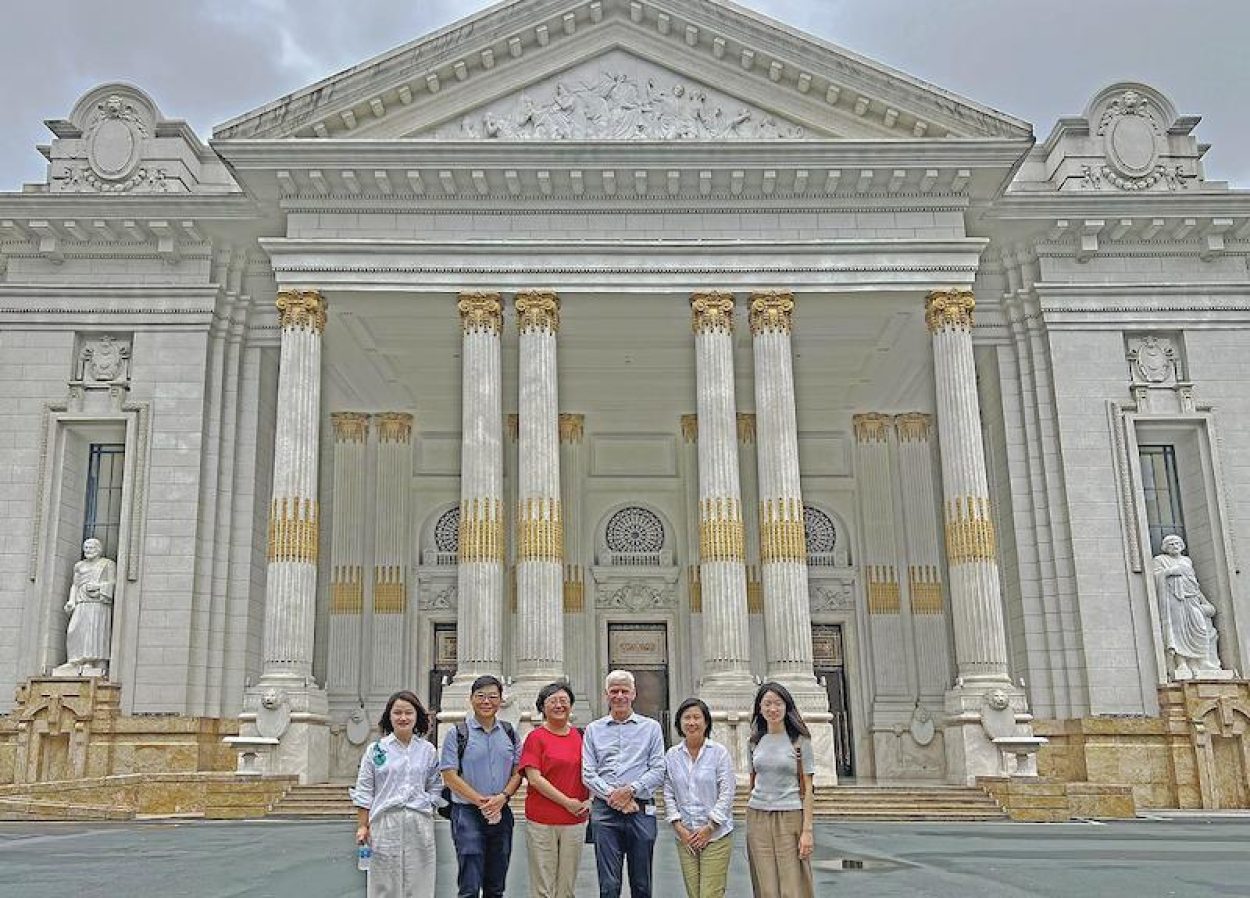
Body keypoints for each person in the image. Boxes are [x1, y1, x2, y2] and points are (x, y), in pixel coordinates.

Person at [582, 670, 666, 898]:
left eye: (624, 691)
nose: (619, 696)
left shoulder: (651, 728)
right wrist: (615, 797)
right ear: (606, 695)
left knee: (642, 883)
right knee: (608, 885)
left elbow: (659, 769)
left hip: (641, 808)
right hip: (605, 811)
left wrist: (630, 790)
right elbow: (588, 773)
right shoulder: (593, 730)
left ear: (634, 693)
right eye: (614, 691)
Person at [351, 690, 444, 898]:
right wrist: (362, 826)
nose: (403, 718)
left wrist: (427, 803)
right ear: (389, 716)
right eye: (397, 713)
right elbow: (365, 790)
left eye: (409, 713)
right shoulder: (376, 750)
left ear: (417, 716)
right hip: (385, 821)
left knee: (420, 879)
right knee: (384, 882)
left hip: (419, 821)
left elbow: (435, 785)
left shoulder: (427, 750)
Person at [441, 675, 523, 898]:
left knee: (496, 880)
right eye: (481, 696)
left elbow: (518, 772)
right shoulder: (457, 733)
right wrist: (480, 801)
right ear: (471, 699)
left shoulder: (509, 733)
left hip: (501, 811)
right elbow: (449, 775)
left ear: (500, 700)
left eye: (493, 697)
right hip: (467, 812)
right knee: (469, 878)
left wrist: (503, 797)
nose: (486, 702)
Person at [518, 682, 591, 898]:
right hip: (542, 820)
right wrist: (567, 802)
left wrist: (591, 800)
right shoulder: (536, 737)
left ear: (571, 706)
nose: (559, 705)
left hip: (575, 821)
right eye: (553, 701)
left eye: (564, 701)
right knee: (543, 885)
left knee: (567, 886)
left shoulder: (582, 736)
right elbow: (534, 778)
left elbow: (594, 771)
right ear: (543, 707)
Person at [745, 682, 815, 898]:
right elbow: (752, 782)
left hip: (790, 814)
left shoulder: (800, 741)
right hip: (758, 815)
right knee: (766, 886)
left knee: (792, 887)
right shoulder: (754, 742)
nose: (772, 709)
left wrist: (807, 831)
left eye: (777, 703)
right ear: (759, 708)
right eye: (767, 704)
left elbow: (809, 787)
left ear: (787, 707)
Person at [662, 698, 735, 898]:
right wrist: (678, 826)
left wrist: (710, 827)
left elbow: (727, 792)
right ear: (679, 723)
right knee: (694, 893)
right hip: (685, 835)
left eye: (697, 717)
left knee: (710, 893)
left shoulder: (719, 753)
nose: (692, 722)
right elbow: (668, 792)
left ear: (706, 722)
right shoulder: (672, 755)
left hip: (715, 835)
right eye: (687, 718)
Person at [1153, 534, 1223, 678]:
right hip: (1174, 600)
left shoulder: (1187, 561)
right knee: (1178, 631)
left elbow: (1194, 583)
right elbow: (1156, 577)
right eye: (1171, 543)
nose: (1175, 545)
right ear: (1165, 547)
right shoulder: (1160, 560)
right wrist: (1170, 572)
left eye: (1177, 542)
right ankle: (1181, 663)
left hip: (1191, 598)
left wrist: (1204, 601)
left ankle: (1203, 661)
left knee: (1200, 626)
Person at [63, 538, 116, 676]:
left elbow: (113, 583)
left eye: (91, 547)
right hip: (81, 602)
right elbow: (75, 584)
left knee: (93, 630)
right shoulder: (79, 566)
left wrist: (98, 587)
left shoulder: (107, 564)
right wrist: (71, 601)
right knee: (74, 629)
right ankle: (75, 659)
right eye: (85, 548)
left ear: (98, 549)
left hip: (98, 604)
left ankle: (91, 661)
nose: (87, 550)